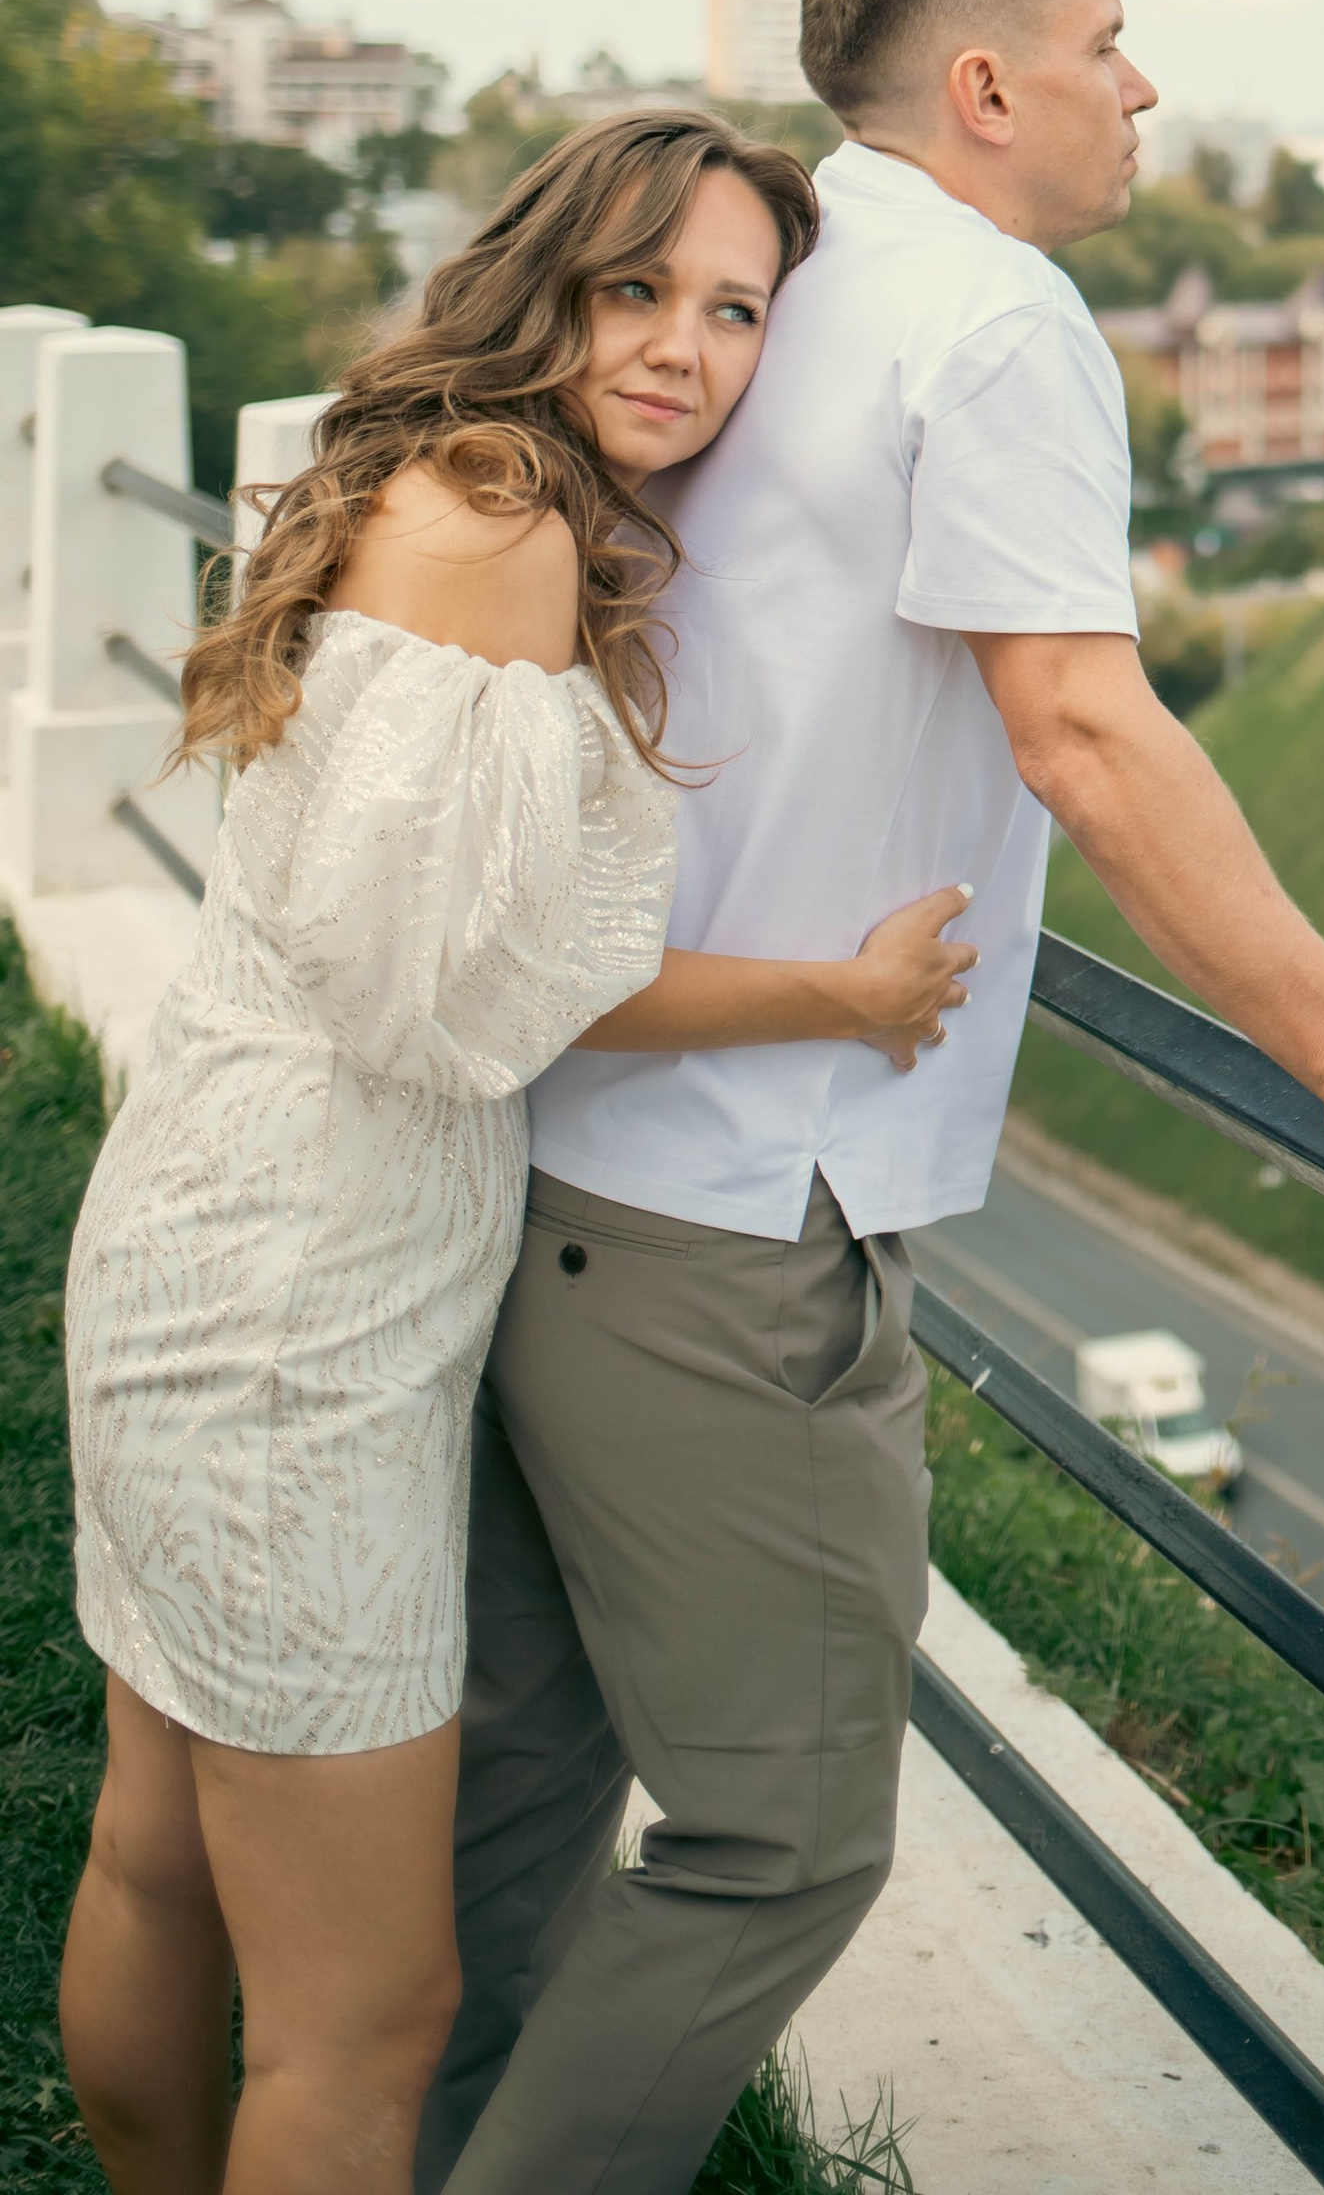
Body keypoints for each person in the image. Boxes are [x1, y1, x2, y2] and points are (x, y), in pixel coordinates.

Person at [424, 0, 1324, 2195]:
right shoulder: (997, 321)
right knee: (782, 1836)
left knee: (518, 1786)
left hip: (555, 1142)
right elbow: (1086, 734)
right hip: (741, 1197)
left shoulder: (766, 276)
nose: (1146, 88)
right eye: (1112, 44)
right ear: (988, 87)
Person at [57, 111, 977, 2195]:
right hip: (309, 1312)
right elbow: (463, 1000)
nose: (683, 348)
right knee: (365, 2020)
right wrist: (831, 998)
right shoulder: (506, 528)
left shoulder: (424, 472)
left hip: (210, 1228)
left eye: (736, 309)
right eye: (635, 287)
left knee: (166, 1856)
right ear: (540, 277)